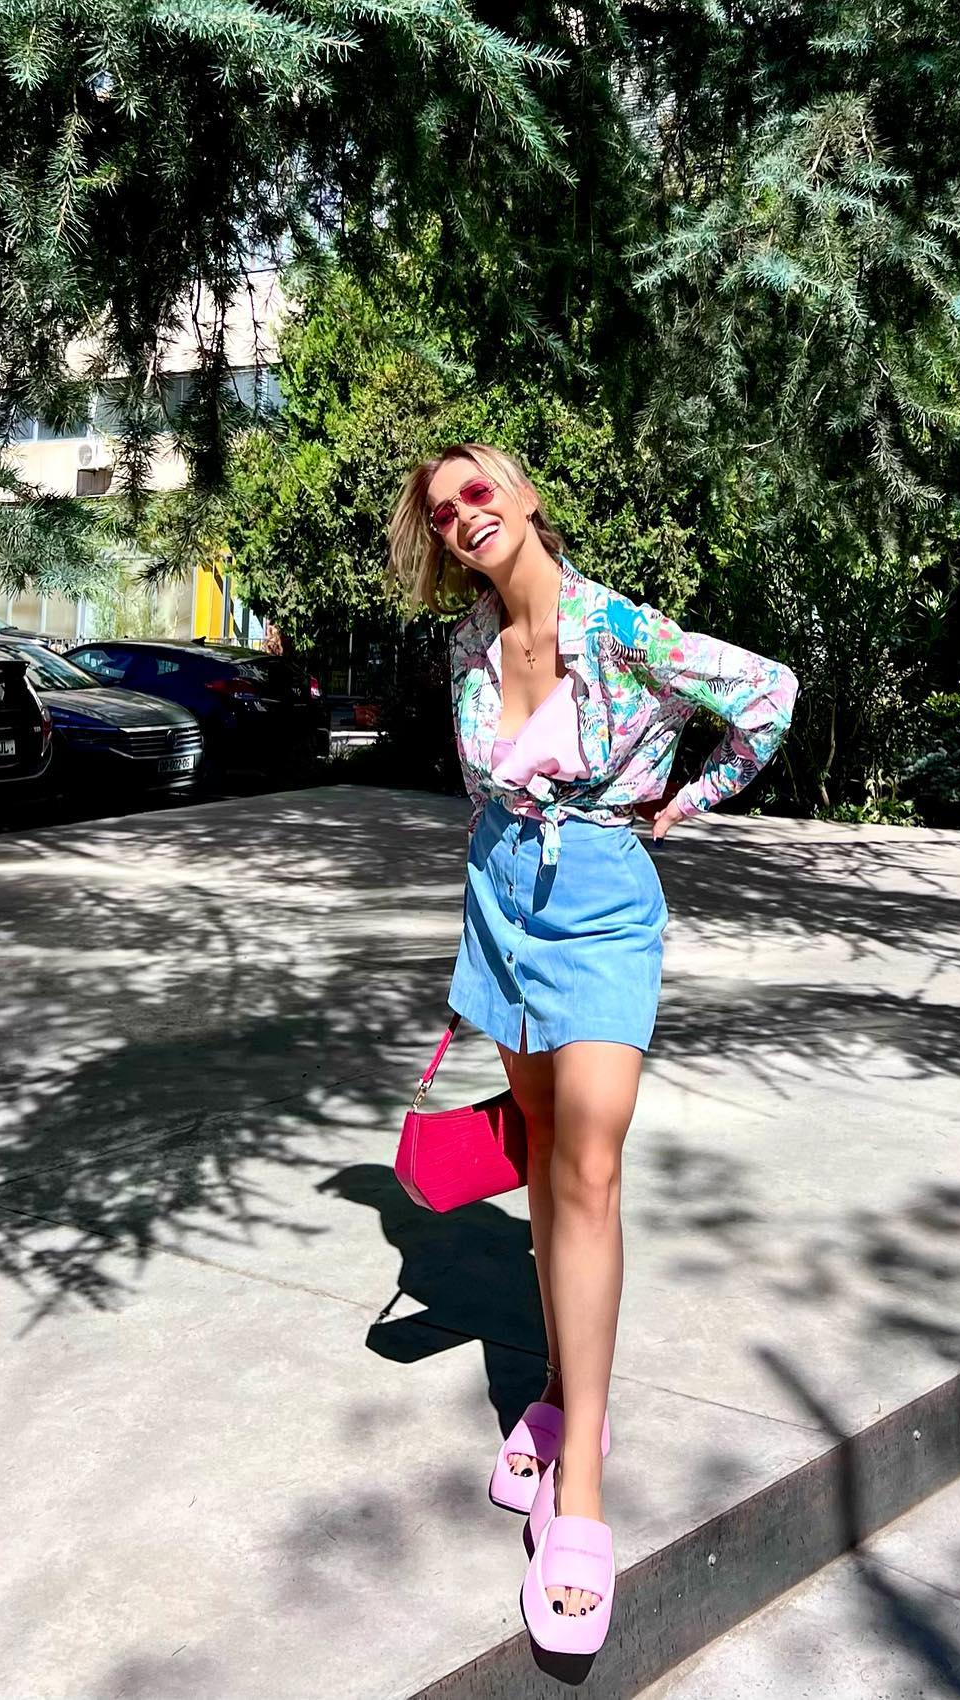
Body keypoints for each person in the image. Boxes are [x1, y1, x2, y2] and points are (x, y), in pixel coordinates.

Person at [387, 442, 798, 1655]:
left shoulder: (620, 629)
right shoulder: (467, 645)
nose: (463, 516)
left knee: (592, 1164)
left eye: (478, 491)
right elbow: (485, 791)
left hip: (605, 901)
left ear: (524, 498)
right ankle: (565, 1395)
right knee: (543, 1147)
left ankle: (581, 1498)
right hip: (500, 898)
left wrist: (688, 800)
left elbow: (769, 693)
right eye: (441, 511)